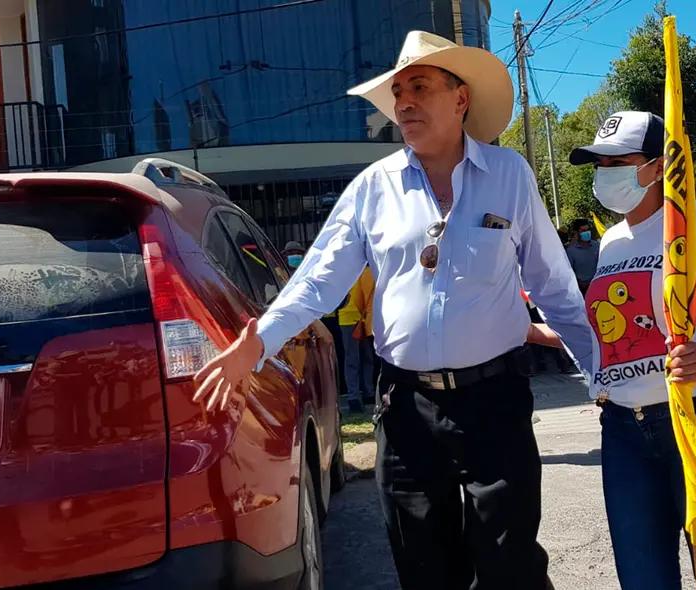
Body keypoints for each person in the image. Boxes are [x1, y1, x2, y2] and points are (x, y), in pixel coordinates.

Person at [192, 31, 591, 590]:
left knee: (511, 568)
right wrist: (259, 343)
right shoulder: (371, 189)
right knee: (425, 570)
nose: (403, 102)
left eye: (419, 87)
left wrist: (604, 372)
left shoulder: (510, 176)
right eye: (398, 91)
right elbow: (317, 282)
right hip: (407, 408)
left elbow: (554, 288)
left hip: (494, 404)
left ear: (460, 99)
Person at [531, 110, 696, 590]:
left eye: (616, 162)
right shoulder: (611, 242)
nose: (604, 176)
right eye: (598, 166)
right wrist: (522, 330)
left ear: (658, 165)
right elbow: (607, 336)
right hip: (626, 430)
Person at [338, 265, 376, 413]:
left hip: (356, 319)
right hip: (356, 319)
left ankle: (364, 394)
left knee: (360, 358)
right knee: (359, 359)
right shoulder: (365, 271)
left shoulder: (352, 270)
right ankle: (357, 396)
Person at [566, 218, 599, 294]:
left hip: (597, 285)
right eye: (583, 231)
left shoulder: (597, 246)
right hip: (581, 290)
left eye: (588, 230)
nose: (587, 232)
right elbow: (569, 272)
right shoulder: (571, 251)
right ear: (577, 233)